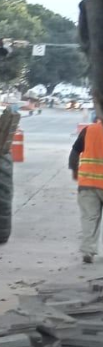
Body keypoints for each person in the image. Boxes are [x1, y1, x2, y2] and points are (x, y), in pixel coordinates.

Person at [70, 109, 103, 263]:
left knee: (89, 217)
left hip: (88, 183)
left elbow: (75, 152)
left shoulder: (89, 130)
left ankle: (88, 251)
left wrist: (74, 171)